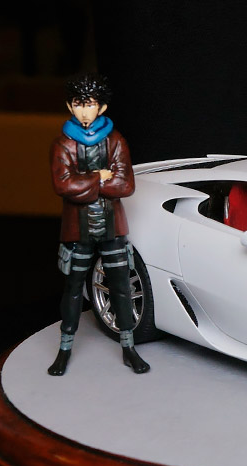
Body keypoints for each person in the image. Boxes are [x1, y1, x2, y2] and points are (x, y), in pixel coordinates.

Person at [47, 73, 150, 376]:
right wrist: (98, 177)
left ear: (101, 107)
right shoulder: (62, 144)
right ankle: (64, 348)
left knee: (121, 286)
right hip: (77, 229)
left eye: (90, 104)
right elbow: (62, 185)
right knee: (73, 288)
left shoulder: (115, 141)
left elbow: (125, 185)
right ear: (70, 106)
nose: (84, 111)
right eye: (78, 104)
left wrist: (85, 182)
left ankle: (129, 347)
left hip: (111, 227)